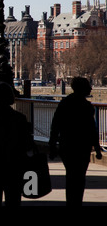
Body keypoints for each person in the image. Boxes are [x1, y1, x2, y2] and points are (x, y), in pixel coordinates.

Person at [49, 77, 103, 206]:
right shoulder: (86, 106)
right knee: (80, 176)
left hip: (66, 145)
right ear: (82, 88)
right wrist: (97, 147)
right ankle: (77, 201)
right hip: (82, 146)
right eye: (88, 86)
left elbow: (55, 126)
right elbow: (92, 129)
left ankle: (71, 201)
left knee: (71, 175)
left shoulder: (64, 104)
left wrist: (52, 145)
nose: (91, 88)